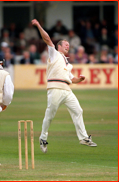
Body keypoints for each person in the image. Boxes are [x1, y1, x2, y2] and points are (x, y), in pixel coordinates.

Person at [32, 19, 97, 153]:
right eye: (65, 44)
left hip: (67, 90)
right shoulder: (54, 54)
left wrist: (79, 79)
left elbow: (71, 79)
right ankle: (43, 138)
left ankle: (83, 137)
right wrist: (39, 25)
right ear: (59, 47)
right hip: (55, 89)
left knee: (78, 110)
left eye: (68, 45)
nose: (68, 46)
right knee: (50, 115)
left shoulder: (67, 64)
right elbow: (47, 38)